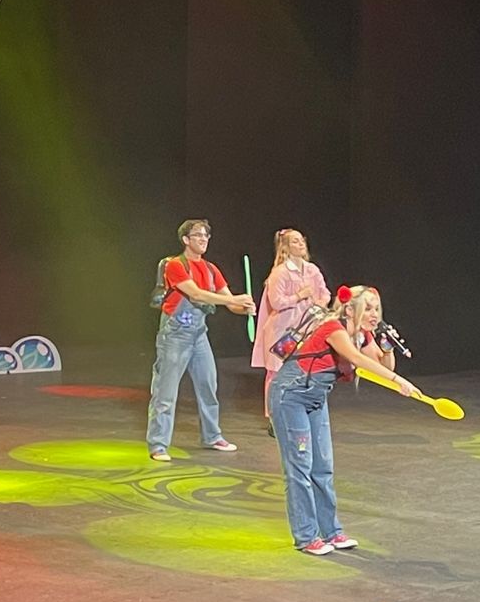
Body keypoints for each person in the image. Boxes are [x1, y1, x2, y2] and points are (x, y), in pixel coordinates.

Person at [269, 284, 417, 556]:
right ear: (350, 309)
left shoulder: (363, 336)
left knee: (323, 467)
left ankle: (332, 532)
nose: (374, 314)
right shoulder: (333, 328)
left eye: (377, 309)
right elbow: (357, 360)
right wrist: (398, 382)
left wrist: (386, 346)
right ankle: (306, 536)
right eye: (368, 308)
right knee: (300, 468)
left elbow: (384, 367)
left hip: (315, 399)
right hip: (291, 395)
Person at [145, 219, 256, 461]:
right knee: (166, 392)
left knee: (208, 386)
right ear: (186, 239)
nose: (204, 239)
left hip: (198, 335)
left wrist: (244, 306)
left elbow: (228, 301)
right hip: (175, 335)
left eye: (206, 235)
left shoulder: (210, 269)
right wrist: (234, 300)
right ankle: (158, 444)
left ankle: (212, 436)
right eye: (198, 235)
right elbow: (195, 293)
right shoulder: (175, 265)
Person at [250, 229, 331, 430]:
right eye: (295, 241)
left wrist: (319, 305)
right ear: (286, 247)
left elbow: (325, 293)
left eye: (302, 240)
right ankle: (273, 416)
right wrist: (300, 296)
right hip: (283, 331)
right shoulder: (280, 272)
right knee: (277, 372)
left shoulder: (312, 270)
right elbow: (276, 302)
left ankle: (299, 410)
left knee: (303, 369)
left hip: (307, 328)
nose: (301, 244)